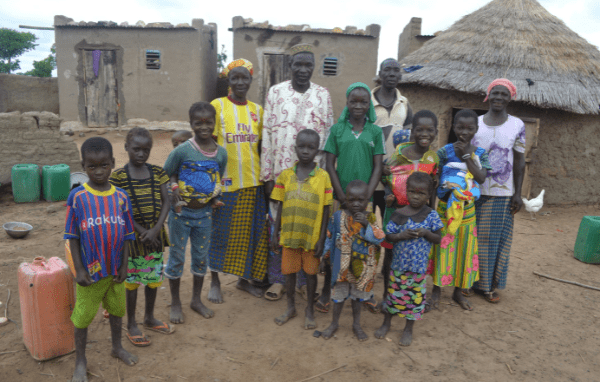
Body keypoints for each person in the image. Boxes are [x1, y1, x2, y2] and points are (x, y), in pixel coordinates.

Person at [261, 43, 334, 303]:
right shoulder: (275, 92)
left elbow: (327, 138)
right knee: (280, 228)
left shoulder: (323, 95)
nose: (303, 70)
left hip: (313, 178)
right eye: (298, 65)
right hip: (283, 175)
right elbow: (267, 135)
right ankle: (280, 280)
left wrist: (322, 177)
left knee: (308, 228)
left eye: (308, 65)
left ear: (313, 68)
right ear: (290, 66)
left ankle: (304, 281)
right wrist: (267, 175)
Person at [64, 137, 138, 382]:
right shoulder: (78, 198)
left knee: (117, 310)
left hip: (115, 270)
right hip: (90, 273)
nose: (98, 171)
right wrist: (79, 270)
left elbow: (128, 235)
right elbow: (72, 237)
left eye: (104, 165)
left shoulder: (121, 197)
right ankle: (81, 361)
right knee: (83, 316)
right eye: (91, 166)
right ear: (83, 166)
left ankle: (116, 347)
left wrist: (125, 265)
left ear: (113, 164)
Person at [208, 59, 269, 302]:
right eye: (236, 78)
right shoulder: (217, 106)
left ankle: (243, 280)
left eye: (245, 78)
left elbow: (262, 147)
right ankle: (214, 281)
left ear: (251, 81)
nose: (240, 82)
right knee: (219, 234)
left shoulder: (258, 110)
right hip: (226, 184)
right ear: (229, 81)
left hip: (253, 183)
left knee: (249, 235)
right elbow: (209, 145)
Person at [322, 82, 384, 314]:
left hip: (364, 199)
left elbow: (378, 166)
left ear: (369, 105)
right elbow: (329, 163)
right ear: (347, 104)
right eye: (353, 101)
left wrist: (368, 194)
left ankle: (363, 290)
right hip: (342, 197)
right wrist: (340, 195)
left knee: (365, 244)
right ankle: (331, 290)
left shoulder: (375, 132)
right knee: (338, 242)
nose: (358, 106)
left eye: (363, 102)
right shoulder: (337, 130)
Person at [163, 102, 228, 323]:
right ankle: (175, 302)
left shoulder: (221, 154)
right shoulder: (182, 151)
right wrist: (177, 198)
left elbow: (217, 178)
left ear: (215, 123)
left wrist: (215, 198)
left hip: (205, 216)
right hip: (181, 215)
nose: (204, 127)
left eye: (208, 122)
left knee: (200, 258)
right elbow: (166, 175)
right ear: (190, 124)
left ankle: (196, 300)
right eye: (198, 123)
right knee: (177, 258)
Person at [109, 127, 174, 346]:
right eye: (136, 149)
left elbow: (167, 202)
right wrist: (140, 230)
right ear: (127, 148)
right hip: (132, 239)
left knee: (153, 279)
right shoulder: (118, 177)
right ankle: (133, 323)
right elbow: (119, 210)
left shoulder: (158, 173)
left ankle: (149, 317)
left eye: (146, 150)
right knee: (133, 281)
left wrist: (156, 229)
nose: (141, 154)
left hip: (155, 237)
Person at [468, 78, 526, 303]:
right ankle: (469, 282)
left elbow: (520, 161)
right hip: (473, 190)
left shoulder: (517, 125)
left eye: (504, 94)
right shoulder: (476, 122)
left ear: (510, 97)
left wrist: (518, 193)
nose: (499, 97)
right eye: (495, 93)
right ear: (488, 96)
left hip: (502, 193)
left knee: (493, 240)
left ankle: (488, 286)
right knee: (471, 238)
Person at [376, 110, 440, 310]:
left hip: (421, 217)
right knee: (390, 254)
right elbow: (385, 175)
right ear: (412, 132)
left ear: (436, 133)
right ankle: (388, 296)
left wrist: (432, 212)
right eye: (419, 129)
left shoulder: (433, 158)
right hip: (396, 213)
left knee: (418, 256)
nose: (424, 134)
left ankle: (413, 299)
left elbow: (434, 187)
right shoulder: (400, 153)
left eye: (429, 130)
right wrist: (389, 196)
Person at [270, 129, 332, 329]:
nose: (306, 151)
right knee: (289, 272)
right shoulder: (286, 176)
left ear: (317, 151)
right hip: (289, 235)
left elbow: (325, 210)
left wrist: (322, 239)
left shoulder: (323, 177)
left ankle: (309, 310)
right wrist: (275, 233)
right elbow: (279, 206)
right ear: (295, 148)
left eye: (311, 147)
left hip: (311, 237)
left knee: (311, 274)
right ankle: (290, 307)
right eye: (302, 147)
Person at [430, 109, 491, 311]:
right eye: (460, 127)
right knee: (442, 248)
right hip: (444, 210)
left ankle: (458, 292)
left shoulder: (480, 154)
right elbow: (434, 178)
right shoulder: (443, 152)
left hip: (467, 212)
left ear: (476, 129)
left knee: (464, 250)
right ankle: (436, 291)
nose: (464, 132)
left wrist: (467, 156)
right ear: (453, 127)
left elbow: (481, 178)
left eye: (470, 128)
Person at [374, 172, 442, 346]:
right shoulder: (399, 214)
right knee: (392, 296)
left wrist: (427, 233)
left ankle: (408, 329)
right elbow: (388, 236)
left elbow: (439, 238)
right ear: (406, 191)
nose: (415, 196)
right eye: (412, 192)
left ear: (428, 195)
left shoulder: (431, 215)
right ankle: (386, 323)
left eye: (421, 193)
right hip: (398, 266)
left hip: (419, 268)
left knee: (414, 299)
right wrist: (401, 235)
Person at [318, 180, 385, 341]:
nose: (355, 204)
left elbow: (379, 238)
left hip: (360, 268)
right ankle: (334, 324)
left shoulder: (369, 217)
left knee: (357, 297)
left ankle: (356, 324)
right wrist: (324, 258)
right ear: (345, 199)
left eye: (360, 200)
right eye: (351, 199)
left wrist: (366, 224)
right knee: (338, 297)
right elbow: (329, 237)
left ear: (367, 200)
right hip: (340, 268)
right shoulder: (337, 216)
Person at [371, 58, 413, 221]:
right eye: (387, 70)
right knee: (368, 224)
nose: (391, 74)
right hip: (370, 174)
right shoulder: (368, 101)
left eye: (396, 70)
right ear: (380, 74)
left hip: (394, 177)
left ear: (400, 76)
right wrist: (377, 165)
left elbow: (409, 140)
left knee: (392, 225)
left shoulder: (405, 104)